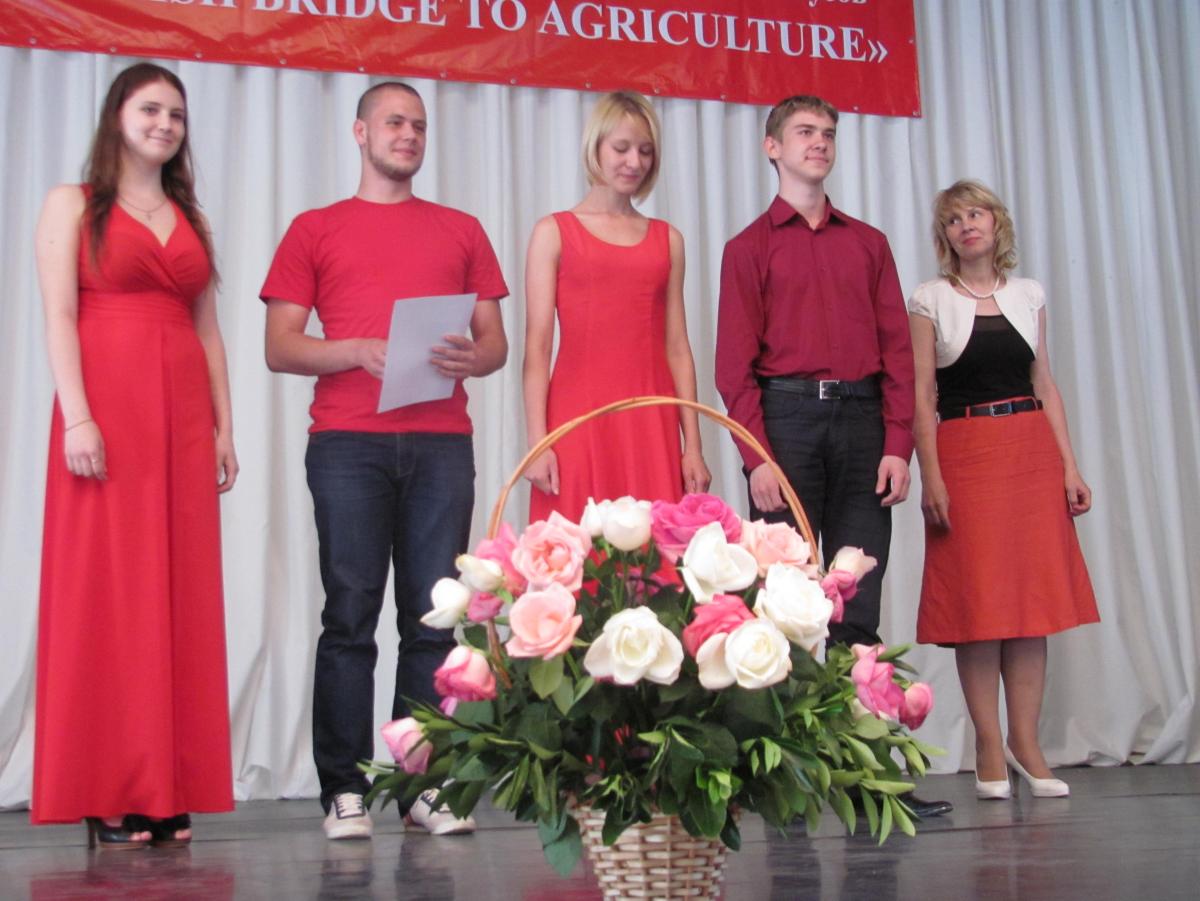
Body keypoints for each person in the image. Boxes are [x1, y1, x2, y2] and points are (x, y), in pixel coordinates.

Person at [261, 81, 508, 840]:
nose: (408, 134)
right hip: (347, 443)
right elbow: (280, 346)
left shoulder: (461, 228)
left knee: (433, 622)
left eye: (419, 126)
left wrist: (474, 357)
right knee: (350, 616)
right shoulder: (315, 228)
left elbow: (495, 345)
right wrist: (354, 351)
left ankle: (419, 782)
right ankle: (342, 788)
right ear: (360, 131)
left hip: (441, 444)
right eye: (395, 122)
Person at [715, 95, 950, 818]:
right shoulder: (749, 247)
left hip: (861, 425)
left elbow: (897, 357)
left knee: (856, 601)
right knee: (785, 608)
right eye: (804, 134)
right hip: (783, 425)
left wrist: (899, 444)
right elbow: (733, 367)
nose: (818, 144)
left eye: (826, 134)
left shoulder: (868, 243)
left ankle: (863, 776)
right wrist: (756, 456)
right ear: (772, 148)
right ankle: (788, 780)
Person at [32, 62, 238, 848]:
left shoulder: (191, 217)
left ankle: (165, 783)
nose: (165, 123)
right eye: (151, 108)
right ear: (118, 113)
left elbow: (208, 330)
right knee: (109, 593)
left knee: (176, 591)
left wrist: (224, 426)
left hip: (182, 419)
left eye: (177, 115)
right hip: (106, 413)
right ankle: (106, 785)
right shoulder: (71, 204)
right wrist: (77, 418)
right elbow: (57, 314)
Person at [908, 180, 1098, 800]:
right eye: (955, 219)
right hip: (965, 453)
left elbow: (1045, 380)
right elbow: (922, 396)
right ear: (946, 236)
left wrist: (1069, 466)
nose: (968, 225)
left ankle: (1027, 743)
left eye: (977, 214)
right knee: (979, 608)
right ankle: (988, 745)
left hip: (1029, 452)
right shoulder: (930, 298)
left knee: (1030, 606)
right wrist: (930, 473)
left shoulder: (1029, 294)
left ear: (996, 224)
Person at [523, 91, 709, 522]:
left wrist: (693, 447)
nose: (634, 162)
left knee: (655, 557)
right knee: (576, 553)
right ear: (596, 147)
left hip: (651, 419)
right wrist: (538, 442)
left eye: (645, 151)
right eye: (621, 148)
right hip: (578, 417)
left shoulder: (669, 239)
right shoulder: (553, 232)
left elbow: (678, 348)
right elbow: (537, 347)